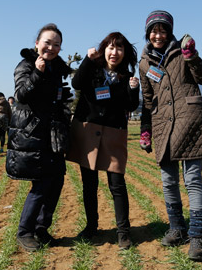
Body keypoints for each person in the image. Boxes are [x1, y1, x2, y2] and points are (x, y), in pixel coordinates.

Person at [139, 10, 202, 261]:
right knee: (168, 181)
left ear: (169, 31)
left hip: (189, 121)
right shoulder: (144, 62)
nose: (157, 35)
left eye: (162, 30)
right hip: (162, 126)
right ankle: (177, 228)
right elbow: (148, 101)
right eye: (153, 30)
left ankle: (197, 236)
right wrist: (145, 130)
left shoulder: (183, 50)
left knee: (192, 179)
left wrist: (192, 57)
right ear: (147, 33)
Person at [66, 32, 140, 249]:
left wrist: (134, 90)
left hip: (114, 133)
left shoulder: (127, 77)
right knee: (89, 184)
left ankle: (123, 232)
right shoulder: (92, 70)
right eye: (110, 47)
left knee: (117, 184)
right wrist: (87, 60)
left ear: (124, 53)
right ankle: (91, 227)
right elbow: (77, 83)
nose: (114, 52)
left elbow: (131, 106)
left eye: (119, 48)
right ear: (103, 49)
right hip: (88, 131)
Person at [6, 23, 72, 252]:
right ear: (37, 43)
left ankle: (42, 228)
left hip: (52, 134)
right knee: (41, 184)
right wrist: (37, 72)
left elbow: (51, 100)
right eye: (47, 42)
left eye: (56, 45)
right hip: (32, 134)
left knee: (57, 181)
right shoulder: (25, 65)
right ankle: (25, 232)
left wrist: (62, 98)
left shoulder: (57, 69)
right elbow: (21, 94)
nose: (51, 47)